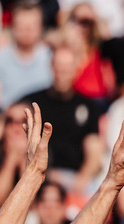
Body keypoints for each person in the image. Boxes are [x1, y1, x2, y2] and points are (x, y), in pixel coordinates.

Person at [22, 44, 105, 195]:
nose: (62, 72)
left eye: (67, 66)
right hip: (38, 176)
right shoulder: (33, 102)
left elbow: (94, 150)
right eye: (59, 66)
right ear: (51, 66)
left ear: (76, 68)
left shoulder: (88, 106)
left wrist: (79, 182)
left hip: (74, 179)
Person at [0, 2, 53, 109]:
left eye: (32, 27)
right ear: (13, 26)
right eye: (22, 26)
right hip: (8, 120)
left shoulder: (51, 58)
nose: (27, 31)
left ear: (41, 27)